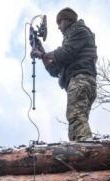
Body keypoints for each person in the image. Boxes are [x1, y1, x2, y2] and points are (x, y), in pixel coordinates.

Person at [32, 7, 97, 141]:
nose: (58, 27)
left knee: (76, 116)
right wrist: (42, 53)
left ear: (68, 20)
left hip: (81, 79)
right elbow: (54, 70)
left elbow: (65, 52)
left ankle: (87, 149)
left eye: (59, 23)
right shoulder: (71, 39)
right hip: (80, 81)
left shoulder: (81, 31)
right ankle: (79, 153)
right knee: (74, 127)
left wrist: (44, 54)